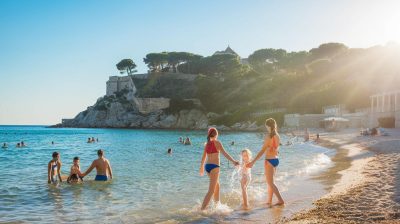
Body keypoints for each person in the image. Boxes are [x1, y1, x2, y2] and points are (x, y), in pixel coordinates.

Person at [247, 118, 284, 206]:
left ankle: (280, 200)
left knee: (270, 182)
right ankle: (269, 201)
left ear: (268, 126)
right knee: (271, 182)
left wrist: (253, 161)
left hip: (269, 160)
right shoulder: (277, 135)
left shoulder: (268, 136)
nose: (266, 128)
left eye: (266, 126)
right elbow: (276, 149)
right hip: (275, 160)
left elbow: (262, 151)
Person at [199, 127, 239, 210]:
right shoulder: (217, 143)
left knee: (217, 186)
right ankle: (202, 210)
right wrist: (234, 161)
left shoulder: (207, 144)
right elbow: (225, 154)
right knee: (211, 191)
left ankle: (217, 205)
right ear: (216, 134)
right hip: (214, 167)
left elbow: (203, 157)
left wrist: (202, 167)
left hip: (207, 167)